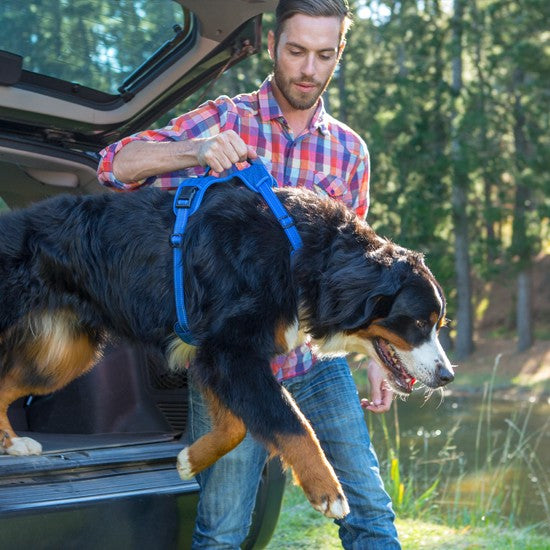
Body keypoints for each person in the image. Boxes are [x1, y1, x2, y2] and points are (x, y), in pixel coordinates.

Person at [97, 1, 401, 547]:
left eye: (325, 55)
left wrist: (379, 353)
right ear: (272, 46)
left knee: (371, 512)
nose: (309, 68)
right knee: (223, 529)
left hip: (313, 362)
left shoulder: (350, 151)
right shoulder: (224, 119)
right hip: (231, 360)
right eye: (296, 51)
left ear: (340, 54)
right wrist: (193, 150)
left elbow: (356, 274)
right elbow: (113, 165)